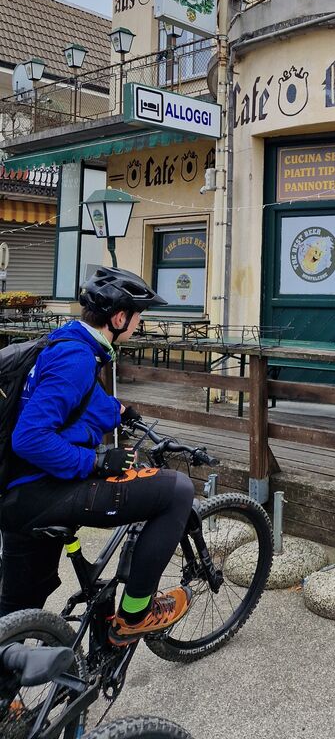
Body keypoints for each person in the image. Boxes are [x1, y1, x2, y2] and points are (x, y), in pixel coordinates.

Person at [0, 267, 195, 646]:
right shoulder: (76, 359)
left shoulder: (66, 342)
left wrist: (120, 413)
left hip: (18, 496)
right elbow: (30, 438)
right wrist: (95, 462)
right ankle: (135, 615)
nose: (140, 324)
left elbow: (77, 399)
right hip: (45, 491)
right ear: (119, 318)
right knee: (177, 491)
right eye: (138, 316)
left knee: (13, 620)